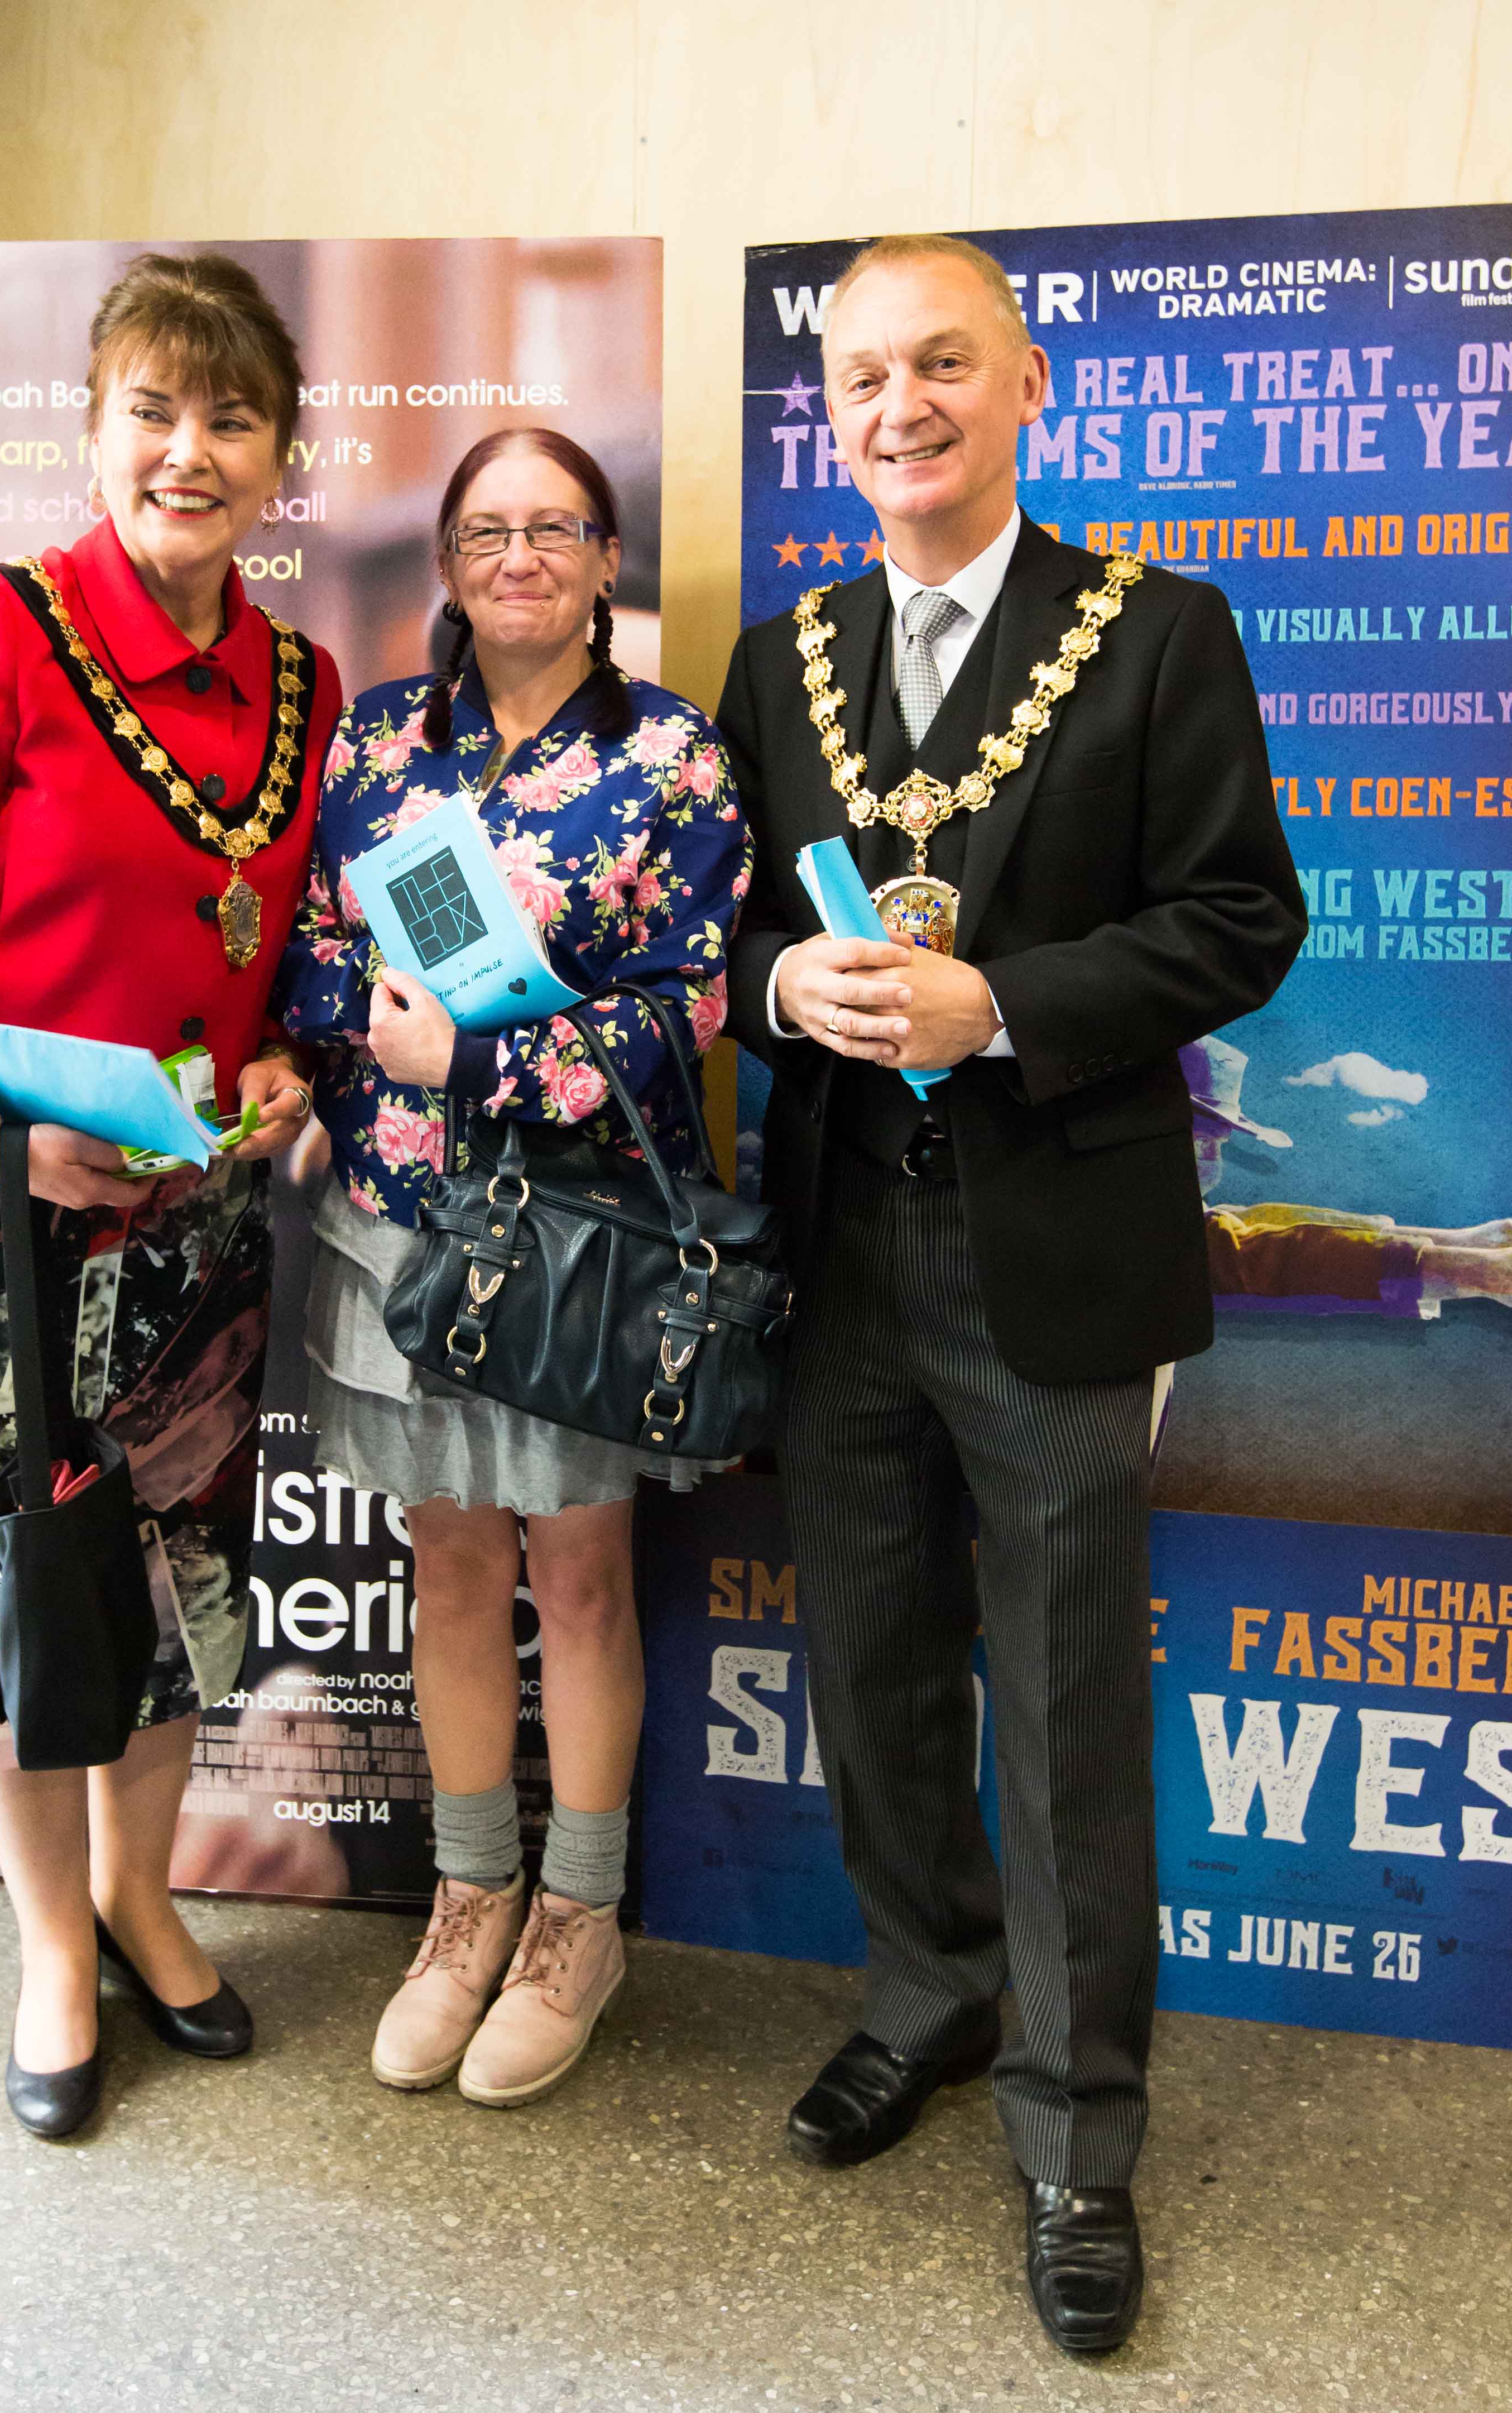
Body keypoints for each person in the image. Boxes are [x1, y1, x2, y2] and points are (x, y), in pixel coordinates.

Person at [717, 234, 1305, 2353]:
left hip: (1055, 1244)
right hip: (838, 1245)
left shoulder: (1155, 635)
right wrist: (779, 984)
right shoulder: (775, 659)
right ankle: (931, 2000)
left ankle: (1077, 2133)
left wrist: (1002, 1003)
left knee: (1057, 1704)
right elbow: (710, 941)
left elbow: (1243, 918)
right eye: (859, 375)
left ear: (1026, 381)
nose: (895, 405)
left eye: (938, 363)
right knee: (871, 1664)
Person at [0, 251, 343, 2139]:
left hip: (188, 1215)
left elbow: (267, 958)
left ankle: (145, 1888)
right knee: (13, 1577)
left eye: (230, 416)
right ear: (97, 424)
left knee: (176, 1580)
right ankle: (52, 1942)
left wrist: (284, 1059)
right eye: (152, 408)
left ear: (282, 456)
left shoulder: (300, 678)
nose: (187, 450)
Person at [273, 427, 749, 2107]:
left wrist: (470, 1058)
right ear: (448, 566)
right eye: (487, 529)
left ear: (608, 558)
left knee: (585, 1575)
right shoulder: (383, 745)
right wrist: (366, 1041)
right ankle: (469, 1903)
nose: (520, 555)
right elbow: (316, 954)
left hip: (584, 1235)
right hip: (402, 1223)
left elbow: (685, 1000)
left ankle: (582, 1919)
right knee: (450, 1564)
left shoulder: (678, 760)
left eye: (555, 526)